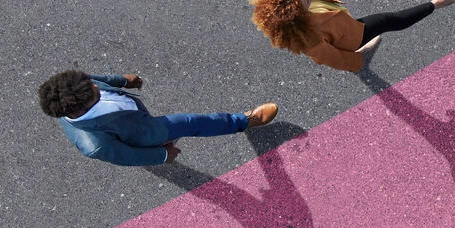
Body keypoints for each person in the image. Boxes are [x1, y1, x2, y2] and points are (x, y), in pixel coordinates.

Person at [35, 70, 277, 167]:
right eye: (92, 93)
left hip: (135, 117)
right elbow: (126, 156)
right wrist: (162, 156)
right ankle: (243, 121)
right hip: (146, 133)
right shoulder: (94, 144)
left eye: (90, 83)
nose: (96, 87)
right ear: (78, 109)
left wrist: (123, 81)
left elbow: (98, 80)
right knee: (191, 122)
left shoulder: (76, 87)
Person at [250, 0, 455, 73]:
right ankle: (438, 3)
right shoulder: (310, 40)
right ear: (298, 17)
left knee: (384, 22)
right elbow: (335, 58)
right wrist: (355, 61)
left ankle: (361, 52)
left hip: (344, 23)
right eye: (306, 0)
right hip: (352, 36)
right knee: (390, 20)